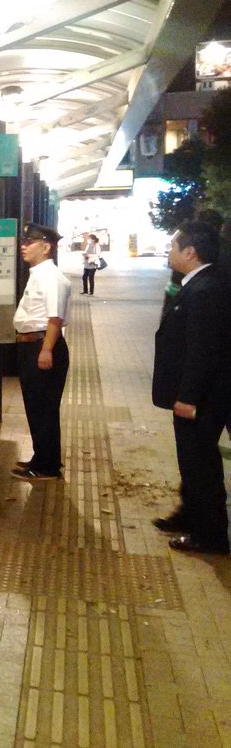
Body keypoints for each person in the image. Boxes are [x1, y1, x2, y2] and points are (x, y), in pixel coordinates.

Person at [150, 220, 231, 554]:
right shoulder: (199, 283)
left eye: (173, 247)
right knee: (194, 463)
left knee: (200, 464)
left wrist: (187, 397)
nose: (169, 252)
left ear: (190, 252)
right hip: (200, 396)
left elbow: (203, 350)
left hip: (201, 400)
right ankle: (192, 515)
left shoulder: (205, 290)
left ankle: (210, 536)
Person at [11, 223, 72, 481]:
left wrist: (46, 350)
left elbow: (54, 318)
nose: (24, 246)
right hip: (33, 345)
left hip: (43, 345)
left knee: (44, 407)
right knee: (36, 406)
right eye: (24, 241)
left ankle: (47, 467)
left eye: (30, 242)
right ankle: (41, 458)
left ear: (46, 247)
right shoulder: (39, 273)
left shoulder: (51, 277)